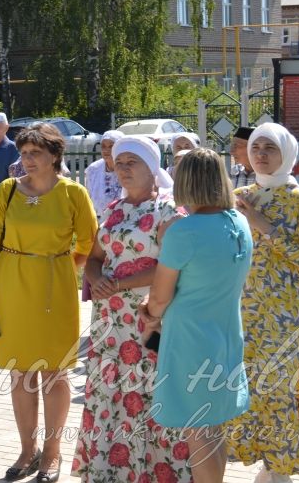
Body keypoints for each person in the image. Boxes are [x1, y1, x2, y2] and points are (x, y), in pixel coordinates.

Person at [0, 123, 97, 482]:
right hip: (11, 286)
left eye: (35, 154)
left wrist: (62, 266)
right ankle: (27, 451)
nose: (27, 160)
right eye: (24, 153)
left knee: (55, 373)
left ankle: (53, 452)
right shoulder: (8, 190)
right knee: (20, 372)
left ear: (55, 156)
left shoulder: (73, 193)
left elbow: (90, 242)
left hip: (54, 290)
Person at [73, 135, 189, 482]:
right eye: (119, 163)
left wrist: (120, 284)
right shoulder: (112, 210)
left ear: (152, 167)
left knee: (149, 391)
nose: (123, 169)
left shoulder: (169, 210)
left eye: (132, 162)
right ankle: (113, 471)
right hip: (109, 323)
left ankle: (155, 472)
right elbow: (94, 258)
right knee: (113, 393)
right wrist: (96, 279)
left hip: (148, 318)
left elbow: (173, 265)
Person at [141, 148, 252, 483]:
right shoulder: (239, 223)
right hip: (226, 334)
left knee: (198, 433)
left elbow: (160, 296)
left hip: (189, 341)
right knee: (212, 428)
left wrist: (147, 313)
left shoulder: (184, 232)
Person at [228, 123, 299, 483]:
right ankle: (260, 464)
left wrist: (261, 224)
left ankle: (278, 468)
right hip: (239, 311)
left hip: (285, 314)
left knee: (280, 390)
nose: (262, 154)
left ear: (287, 152)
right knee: (246, 389)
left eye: (270, 147)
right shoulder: (238, 194)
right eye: (257, 148)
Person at [83, 130, 125, 219]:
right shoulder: (93, 169)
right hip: (98, 221)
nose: (106, 150)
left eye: (111, 146)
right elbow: (89, 198)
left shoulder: (128, 168)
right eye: (103, 146)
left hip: (123, 221)